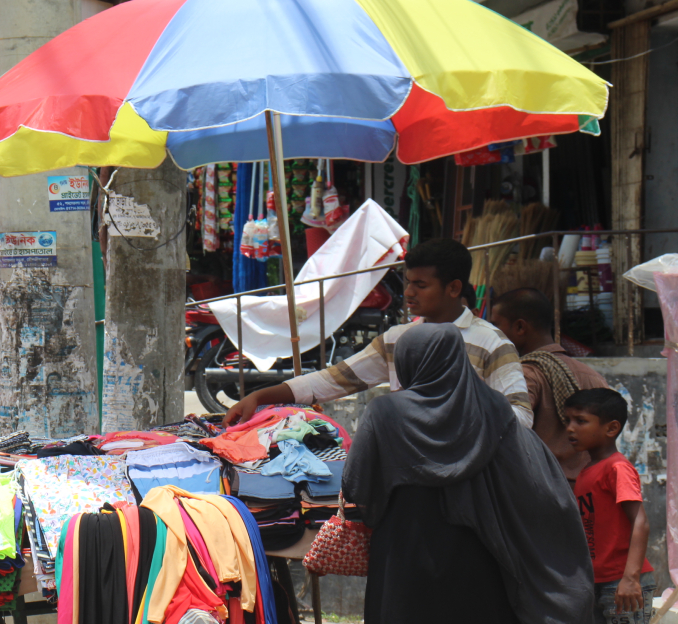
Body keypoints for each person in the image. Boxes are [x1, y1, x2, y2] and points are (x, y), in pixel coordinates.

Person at [344, 323, 593, 624]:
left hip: (404, 556)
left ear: (408, 361)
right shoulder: (495, 411)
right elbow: (536, 483)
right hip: (479, 554)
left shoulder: (385, 413)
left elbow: (356, 485)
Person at [225, 238, 533, 427]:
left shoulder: (491, 343)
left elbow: (521, 417)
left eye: (420, 285)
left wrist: (464, 412)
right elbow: (331, 381)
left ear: (454, 288)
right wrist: (260, 395)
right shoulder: (397, 341)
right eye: (408, 281)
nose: (409, 292)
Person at [490, 288, 608, 479]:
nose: (491, 334)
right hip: (589, 490)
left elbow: (503, 430)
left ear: (520, 327)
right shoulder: (592, 376)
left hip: (542, 490)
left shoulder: (523, 375)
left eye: (495, 326)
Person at [565, 388, 657, 623]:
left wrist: (630, 577)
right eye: (568, 421)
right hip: (598, 581)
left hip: (622, 582)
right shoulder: (587, 472)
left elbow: (640, 521)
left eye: (580, 421)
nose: (570, 428)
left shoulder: (617, 468)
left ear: (611, 428)